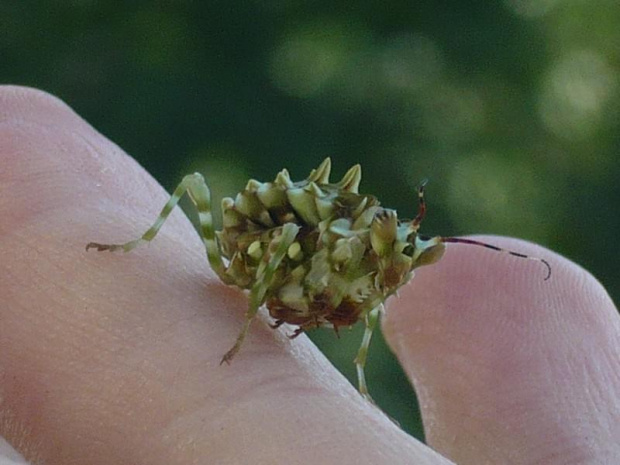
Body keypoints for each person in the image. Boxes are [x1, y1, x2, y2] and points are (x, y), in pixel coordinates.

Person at [0, 86, 618, 464]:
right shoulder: (299, 239)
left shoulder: (362, 267)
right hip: (244, 254)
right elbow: (287, 236)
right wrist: (245, 329)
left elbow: (366, 301)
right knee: (196, 189)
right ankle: (138, 239)